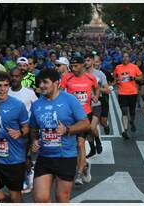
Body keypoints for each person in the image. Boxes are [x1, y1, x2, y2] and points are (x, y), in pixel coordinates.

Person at [30, 69, 90, 202]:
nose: (41, 86)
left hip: (66, 156)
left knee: (61, 198)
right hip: (45, 157)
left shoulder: (70, 99)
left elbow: (86, 123)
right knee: (40, 198)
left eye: (45, 82)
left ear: (56, 83)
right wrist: (34, 141)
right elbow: (34, 128)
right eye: (39, 82)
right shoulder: (36, 104)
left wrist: (68, 129)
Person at [60, 56, 100, 186]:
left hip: (85, 115)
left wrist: (95, 96)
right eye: (72, 65)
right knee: (71, 145)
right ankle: (85, 165)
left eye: (76, 65)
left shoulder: (91, 77)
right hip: (70, 116)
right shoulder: (67, 78)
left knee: (80, 144)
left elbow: (96, 88)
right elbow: (59, 92)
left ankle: (78, 174)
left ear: (83, 65)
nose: (74, 68)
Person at [0, 71, 30, 202]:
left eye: (5, 85)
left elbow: (27, 127)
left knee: (15, 197)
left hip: (14, 158)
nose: (2, 89)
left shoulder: (17, 105)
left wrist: (20, 133)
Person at [8, 68, 39, 193]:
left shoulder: (29, 92)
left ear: (21, 77)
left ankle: (29, 175)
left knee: (23, 156)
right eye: (12, 76)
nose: (15, 78)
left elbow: (37, 107)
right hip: (8, 129)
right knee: (12, 156)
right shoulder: (6, 91)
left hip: (25, 129)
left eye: (17, 76)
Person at [113, 51, 143, 139]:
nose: (125, 58)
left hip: (133, 93)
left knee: (132, 112)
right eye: (123, 57)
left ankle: (132, 122)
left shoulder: (134, 67)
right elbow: (114, 77)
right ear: (121, 58)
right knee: (124, 111)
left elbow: (141, 77)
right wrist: (116, 80)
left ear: (129, 58)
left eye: (126, 57)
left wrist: (134, 78)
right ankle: (125, 130)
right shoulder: (118, 67)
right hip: (122, 93)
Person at [85, 53, 110, 158]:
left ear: (91, 61)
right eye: (84, 61)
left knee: (92, 127)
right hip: (84, 105)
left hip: (97, 103)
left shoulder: (100, 74)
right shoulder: (81, 74)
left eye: (88, 60)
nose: (86, 63)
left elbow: (107, 90)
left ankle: (98, 141)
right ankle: (92, 148)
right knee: (87, 129)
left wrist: (97, 90)